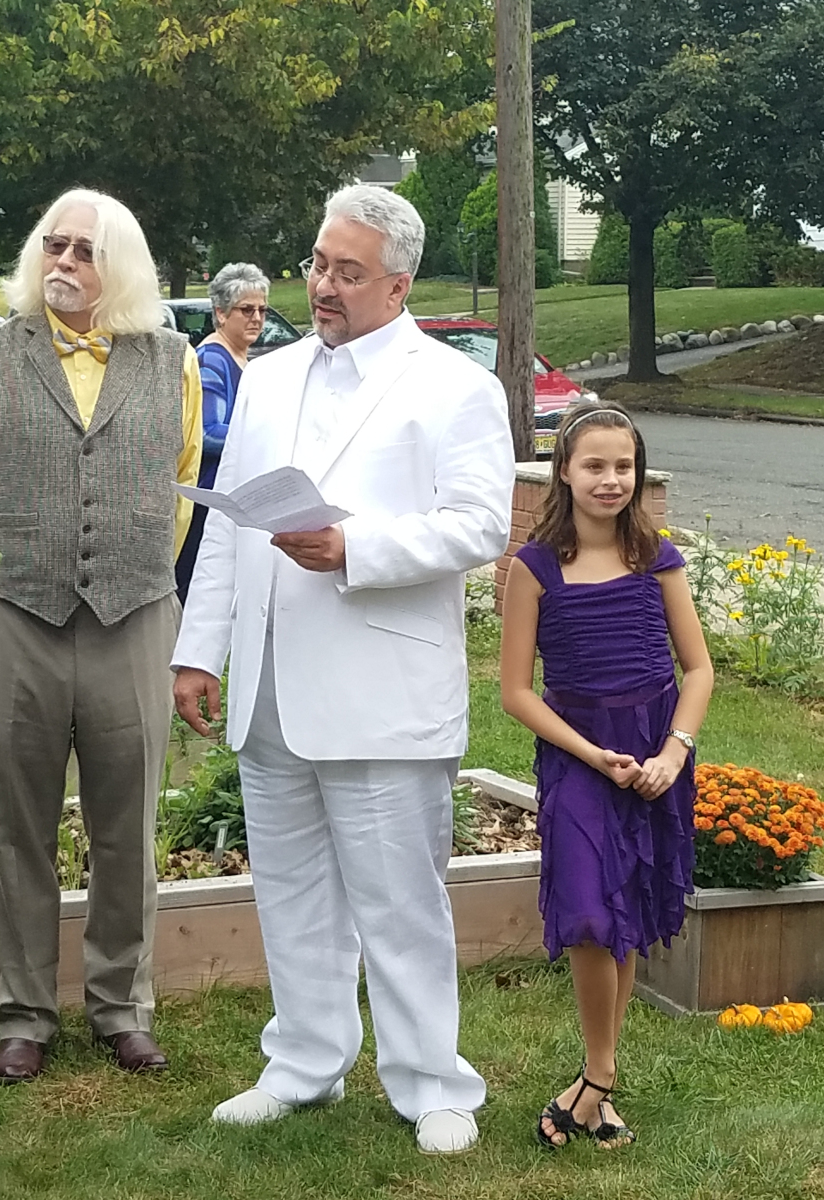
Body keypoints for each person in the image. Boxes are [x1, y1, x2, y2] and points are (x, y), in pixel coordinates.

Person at [172, 185, 513, 1156]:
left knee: (400, 900)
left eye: (347, 272)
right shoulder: (270, 376)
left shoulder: (454, 386)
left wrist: (354, 549)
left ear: (398, 285)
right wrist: (198, 650)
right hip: (272, 681)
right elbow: (228, 527)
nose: (322, 285)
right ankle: (304, 1062)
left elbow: (480, 525)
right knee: (289, 890)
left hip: (382, 687)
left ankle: (432, 1082)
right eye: (318, 263)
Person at [0, 189, 202, 1082]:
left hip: (134, 615)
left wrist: (133, 569)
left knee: (127, 824)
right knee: (16, 825)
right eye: (53, 245)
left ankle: (123, 1007)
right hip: (15, 614)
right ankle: (23, 1013)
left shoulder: (175, 361)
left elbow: (179, 488)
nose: (62, 261)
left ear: (119, 266)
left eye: (84, 250)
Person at [497, 400, 713, 1151]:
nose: (611, 479)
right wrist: (592, 756)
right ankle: (601, 1076)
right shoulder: (533, 568)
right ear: (564, 470)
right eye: (594, 465)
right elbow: (516, 691)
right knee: (591, 914)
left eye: (625, 466)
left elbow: (698, 668)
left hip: (654, 755)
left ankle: (596, 1087)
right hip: (580, 759)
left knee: (626, 916)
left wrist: (673, 753)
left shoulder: (657, 557)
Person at [174, 262, 270, 601]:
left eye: (262, 310)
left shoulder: (241, 358)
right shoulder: (212, 359)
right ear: (221, 313)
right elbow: (207, 432)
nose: (256, 318)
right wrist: (267, 433)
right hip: (208, 500)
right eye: (246, 309)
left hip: (231, 498)